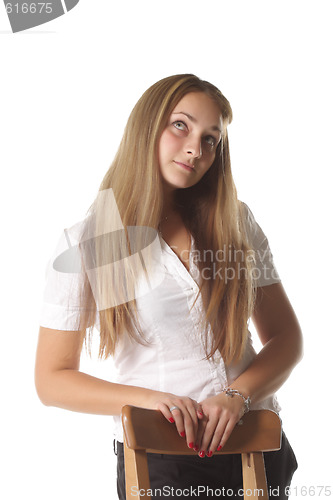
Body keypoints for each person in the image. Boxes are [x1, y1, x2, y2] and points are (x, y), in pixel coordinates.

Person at [35, 74, 303, 499]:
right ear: (148, 126)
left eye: (211, 139)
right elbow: (52, 380)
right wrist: (151, 399)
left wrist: (239, 395)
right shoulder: (87, 243)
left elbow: (287, 339)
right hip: (161, 460)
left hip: (258, 445)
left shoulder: (236, 223)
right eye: (181, 125)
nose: (196, 148)